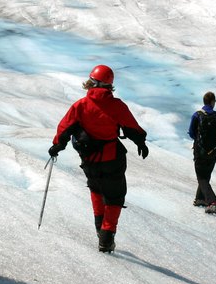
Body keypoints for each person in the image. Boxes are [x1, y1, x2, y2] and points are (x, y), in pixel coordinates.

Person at [48, 65, 149, 253]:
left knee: (96, 188)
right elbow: (132, 127)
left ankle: (99, 228)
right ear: (109, 85)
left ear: (91, 83)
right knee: (114, 196)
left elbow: (64, 128)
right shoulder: (117, 106)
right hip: (112, 158)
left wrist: (57, 146)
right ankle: (106, 236)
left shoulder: (80, 105)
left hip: (89, 160)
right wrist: (141, 143)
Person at [188, 92, 216, 214]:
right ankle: (200, 199)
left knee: (201, 177)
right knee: (205, 175)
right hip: (213, 152)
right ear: (212, 102)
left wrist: (200, 142)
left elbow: (191, 133)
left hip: (200, 152)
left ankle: (212, 202)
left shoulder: (197, 115)